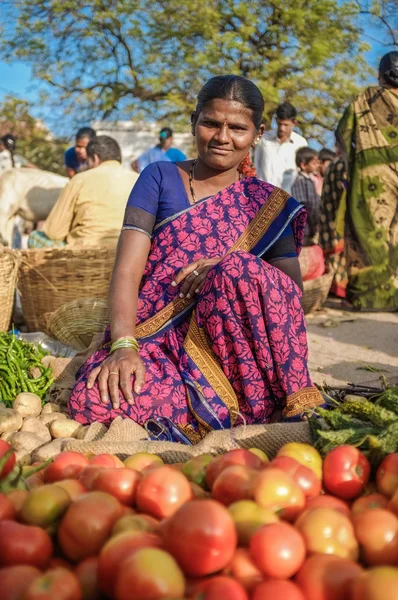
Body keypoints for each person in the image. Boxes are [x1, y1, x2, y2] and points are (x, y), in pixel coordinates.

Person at [68, 75, 324, 441]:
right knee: (94, 398)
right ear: (194, 121)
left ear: (258, 133)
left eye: (237, 128)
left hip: (236, 352)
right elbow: (127, 270)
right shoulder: (160, 177)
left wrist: (224, 268)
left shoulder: (269, 203)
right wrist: (124, 346)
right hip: (158, 342)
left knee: (237, 268)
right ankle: (241, 410)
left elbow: (290, 294)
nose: (222, 137)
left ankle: (258, 398)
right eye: (210, 123)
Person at [337, 51, 398, 311]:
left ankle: (368, 297)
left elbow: (343, 136)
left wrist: (347, 172)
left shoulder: (361, 100)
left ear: (378, 75)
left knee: (368, 235)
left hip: (370, 180)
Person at [28, 135, 139, 248]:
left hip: (86, 250)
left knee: (34, 236)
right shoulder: (139, 180)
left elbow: (54, 233)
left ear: (95, 158)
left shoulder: (79, 180)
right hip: (129, 250)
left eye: (87, 162)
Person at [254, 102, 307, 193]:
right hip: (262, 195)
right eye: (279, 124)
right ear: (276, 120)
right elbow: (256, 165)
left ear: (294, 122)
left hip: (288, 198)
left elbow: (303, 173)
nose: (282, 128)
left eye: (286, 125)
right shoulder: (264, 139)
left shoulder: (300, 143)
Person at [319, 152, 348, 298]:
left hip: (328, 216)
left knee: (333, 257)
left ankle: (333, 289)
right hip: (338, 217)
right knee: (340, 256)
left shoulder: (333, 164)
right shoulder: (346, 164)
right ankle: (340, 291)